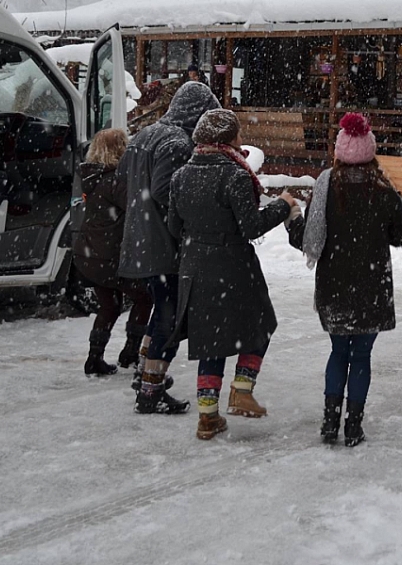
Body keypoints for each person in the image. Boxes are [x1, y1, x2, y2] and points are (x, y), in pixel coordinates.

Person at [166, 109, 298, 440]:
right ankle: (242, 389)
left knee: (209, 341)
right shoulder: (234, 176)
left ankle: (207, 417)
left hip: (195, 267)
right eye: (237, 134)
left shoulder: (181, 175)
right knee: (260, 325)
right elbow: (251, 226)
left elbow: (173, 225)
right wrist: (282, 205)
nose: (241, 140)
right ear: (228, 138)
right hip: (233, 266)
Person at [287, 113, 402, 446]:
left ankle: (329, 424)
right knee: (362, 357)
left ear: (340, 151)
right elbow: (399, 237)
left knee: (338, 352)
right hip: (372, 288)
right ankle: (353, 425)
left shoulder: (326, 185)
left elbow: (309, 238)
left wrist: (292, 219)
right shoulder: (383, 188)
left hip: (334, 285)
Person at [118, 81, 221, 415]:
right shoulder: (177, 142)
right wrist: (193, 213)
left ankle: (145, 371)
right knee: (170, 317)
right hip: (163, 244)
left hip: (139, 237)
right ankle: (151, 390)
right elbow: (165, 190)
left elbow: (124, 181)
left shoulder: (146, 134)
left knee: (161, 308)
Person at [74, 129, 154, 376]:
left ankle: (94, 358)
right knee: (144, 298)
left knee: (109, 304)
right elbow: (140, 209)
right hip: (111, 256)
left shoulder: (91, 176)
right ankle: (130, 353)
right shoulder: (116, 181)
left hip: (89, 253)